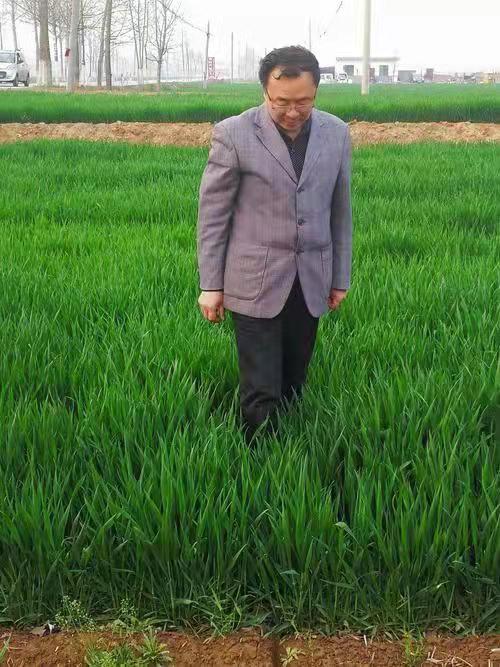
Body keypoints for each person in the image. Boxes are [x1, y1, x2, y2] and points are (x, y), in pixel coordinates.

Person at [197, 45, 353, 445]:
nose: (293, 111)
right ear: (265, 91)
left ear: (316, 91)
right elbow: (213, 215)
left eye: (304, 101)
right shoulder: (234, 134)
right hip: (254, 280)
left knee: (295, 378)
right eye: (281, 102)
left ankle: (293, 449)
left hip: (311, 277)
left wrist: (340, 277)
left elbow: (340, 212)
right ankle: (259, 459)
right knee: (261, 386)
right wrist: (211, 285)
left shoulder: (336, 133)